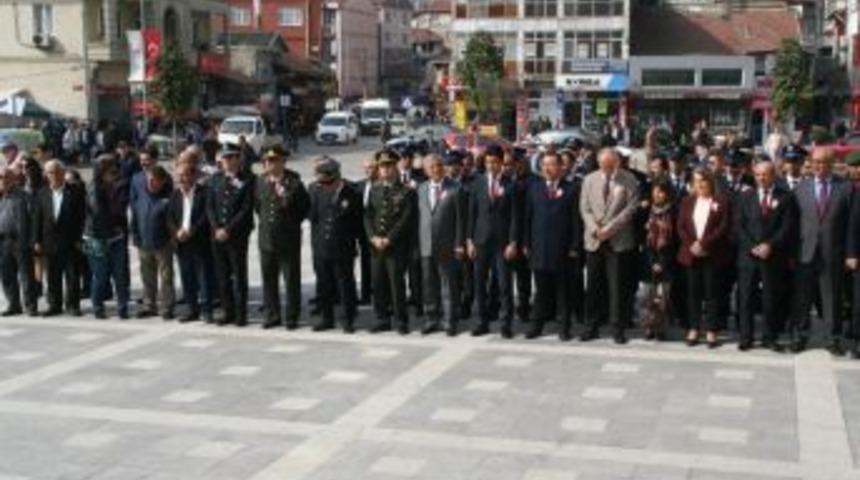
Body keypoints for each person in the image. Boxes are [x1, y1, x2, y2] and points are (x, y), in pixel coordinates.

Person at [790, 147, 853, 354]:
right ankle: (800, 335)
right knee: (802, 297)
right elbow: (793, 222)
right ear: (811, 162)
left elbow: (851, 224)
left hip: (833, 252)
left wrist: (850, 253)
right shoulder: (801, 188)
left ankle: (833, 338)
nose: (820, 166)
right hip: (805, 252)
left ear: (832, 163)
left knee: (832, 297)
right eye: (816, 162)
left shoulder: (845, 188)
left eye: (824, 162)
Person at [579, 148, 640, 343]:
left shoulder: (628, 179)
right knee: (593, 285)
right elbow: (584, 207)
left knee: (617, 287)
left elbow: (631, 208)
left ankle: (617, 328)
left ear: (617, 163)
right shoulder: (589, 179)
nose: (608, 170)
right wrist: (595, 228)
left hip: (618, 240)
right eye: (604, 166)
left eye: (611, 166)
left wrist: (609, 229)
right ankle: (591, 326)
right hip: (594, 239)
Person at [735, 161, 796, 352]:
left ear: (774, 175)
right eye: (758, 175)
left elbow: (787, 227)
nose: (761, 178)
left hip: (773, 256)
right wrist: (753, 246)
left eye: (766, 174)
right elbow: (739, 226)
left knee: (771, 298)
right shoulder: (745, 196)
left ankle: (770, 337)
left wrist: (770, 244)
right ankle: (746, 337)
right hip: (748, 256)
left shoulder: (785, 197)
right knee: (745, 298)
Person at [523, 152, 583, 340]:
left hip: (562, 248)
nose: (547, 169)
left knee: (563, 291)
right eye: (544, 165)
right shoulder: (534, 188)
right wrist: (526, 242)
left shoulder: (572, 189)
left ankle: (564, 327)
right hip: (539, 248)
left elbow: (576, 221)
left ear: (561, 167)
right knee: (541, 291)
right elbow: (528, 217)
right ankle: (536, 326)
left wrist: (575, 245)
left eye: (551, 165)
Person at [254, 145, 310, 329]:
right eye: (267, 161)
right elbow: (258, 207)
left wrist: (286, 199)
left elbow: (303, 209)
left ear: (283, 162)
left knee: (291, 280)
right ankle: (272, 314)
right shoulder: (261, 181)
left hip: (288, 239)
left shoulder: (294, 182)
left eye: (274, 160)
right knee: (269, 279)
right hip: (266, 239)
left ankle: (291, 316)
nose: (269, 164)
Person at [676, 168, 732, 348]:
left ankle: (711, 330)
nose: (699, 184)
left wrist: (704, 244)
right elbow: (681, 227)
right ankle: (693, 328)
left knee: (712, 294)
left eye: (703, 180)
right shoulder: (687, 201)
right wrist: (693, 244)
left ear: (710, 182)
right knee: (693, 293)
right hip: (691, 253)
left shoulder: (721, 202)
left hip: (712, 254)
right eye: (696, 181)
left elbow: (723, 227)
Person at [467, 145, 517, 337]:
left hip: (502, 243)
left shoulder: (510, 185)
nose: (491, 165)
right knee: (480, 283)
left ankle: (506, 323)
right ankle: (481, 322)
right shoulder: (477, 183)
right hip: (480, 241)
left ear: (501, 163)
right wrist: (469, 240)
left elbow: (515, 217)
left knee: (504, 285)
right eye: (488, 162)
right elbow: (471, 214)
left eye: (495, 162)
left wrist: (513, 242)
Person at [364, 149, 416, 334]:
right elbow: (368, 215)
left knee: (396, 283)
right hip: (376, 246)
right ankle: (382, 318)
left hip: (395, 246)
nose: (385, 170)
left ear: (395, 167)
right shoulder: (375, 189)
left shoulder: (406, 191)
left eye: (388, 166)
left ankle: (401, 320)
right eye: (382, 167)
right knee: (378, 283)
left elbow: (406, 219)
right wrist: (373, 237)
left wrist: (389, 238)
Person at [308, 158, 362, 332]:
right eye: (323, 182)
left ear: (337, 177)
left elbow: (358, 223)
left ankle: (348, 318)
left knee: (345, 284)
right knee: (324, 284)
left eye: (329, 182)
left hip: (343, 248)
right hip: (321, 247)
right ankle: (326, 318)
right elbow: (312, 217)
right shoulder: (316, 190)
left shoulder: (352, 193)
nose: (326, 186)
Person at [417, 153, 465, 336]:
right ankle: (432, 318)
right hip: (426, 244)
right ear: (426, 170)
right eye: (431, 167)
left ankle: (449, 320)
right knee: (429, 284)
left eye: (438, 165)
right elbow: (420, 218)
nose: (436, 169)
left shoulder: (455, 188)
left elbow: (461, 219)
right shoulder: (421, 189)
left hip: (447, 244)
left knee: (448, 285)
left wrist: (459, 244)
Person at [207, 145, 254, 327]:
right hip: (217, 235)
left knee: (239, 276)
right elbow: (210, 207)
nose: (226, 161)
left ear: (237, 159)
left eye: (229, 158)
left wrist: (228, 229)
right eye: (224, 158)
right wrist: (217, 228)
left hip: (236, 236)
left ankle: (241, 314)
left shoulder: (247, 180)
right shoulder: (215, 180)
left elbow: (245, 208)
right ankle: (228, 311)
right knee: (222, 275)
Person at [33, 160, 85, 316]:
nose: (54, 175)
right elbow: (38, 219)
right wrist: (36, 240)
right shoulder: (42, 193)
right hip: (49, 242)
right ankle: (54, 305)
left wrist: (80, 238)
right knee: (53, 276)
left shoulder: (75, 191)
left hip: (71, 241)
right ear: (46, 175)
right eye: (50, 172)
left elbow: (82, 217)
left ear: (63, 173)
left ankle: (72, 305)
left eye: (57, 172)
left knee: (72, 275)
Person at [84, 155, 131, 319]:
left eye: (115, 169)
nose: (115, 172)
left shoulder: (114, 185)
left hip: (115, 236)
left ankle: (123, 307)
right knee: (100, 275)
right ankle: (98, 307)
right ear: (102, 171)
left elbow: (121, 207)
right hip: (97, 237)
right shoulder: (94, 188)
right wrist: (116, 221)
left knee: (120, 274)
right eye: (111, 170)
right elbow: (99, 214)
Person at [168, 162, 214, 323]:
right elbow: (170, 218)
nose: (182, 178)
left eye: (185, 174)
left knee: (204, 278)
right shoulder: (174, 195)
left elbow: (207, 216)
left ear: (194, 176)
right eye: (179, 175)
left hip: (200, 241)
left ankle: (207, 311)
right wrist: (177, 232)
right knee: (187, 277)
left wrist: (192, 230)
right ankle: (192, 309)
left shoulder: (205, 193)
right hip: (182, 242)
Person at [131, 165, 175, 320]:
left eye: (154, 181)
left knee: (166, 277)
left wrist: (171, 240)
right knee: (147, 276)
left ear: (162, 181)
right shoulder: (141, 197)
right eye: (149, 180)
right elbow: (135, 218)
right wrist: (135, 237)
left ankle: (167, 306)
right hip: (144, 243)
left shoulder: (168, 199)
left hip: (163, 244)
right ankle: (149, 305)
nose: (151, 183)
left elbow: (173, 222)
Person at [642, 181, 677, 340]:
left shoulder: (674, 212)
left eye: (661, 192)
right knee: (647, 296)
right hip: (648, 259)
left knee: (664, 297)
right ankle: (648, 327)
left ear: (668, 194)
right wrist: (652, 262)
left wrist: (662, 263)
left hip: (667, 260)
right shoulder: (646, 211)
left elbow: (676, 240)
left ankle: (661, 328)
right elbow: (642, 238)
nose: (657, 195)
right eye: (655, 192)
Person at [354, 158, 379, 305]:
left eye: (371, 168)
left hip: (378, 233)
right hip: (363, 232)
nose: (368, 171)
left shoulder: (382, 185)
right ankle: (365, 294)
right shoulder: (360, 186)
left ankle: (380, 294)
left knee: (378, 265)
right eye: (366, 168)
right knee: (365, 263)